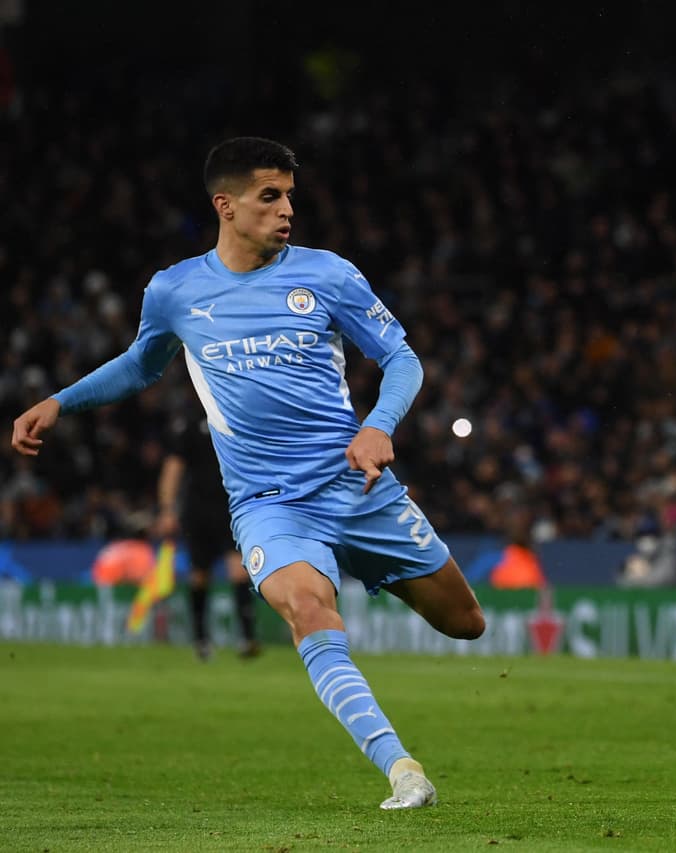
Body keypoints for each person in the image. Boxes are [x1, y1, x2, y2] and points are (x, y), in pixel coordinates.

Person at [11, 137, 486, 810]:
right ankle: (402, 768)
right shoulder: (175, 289)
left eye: (290, 194)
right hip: (269, 503)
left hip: (358, 486)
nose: (287, 208)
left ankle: (379, 579)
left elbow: (402, 357)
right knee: (307, 606)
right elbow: (140, 364)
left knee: (466, 624)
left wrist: (379, 425)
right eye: (271, 196)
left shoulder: (328, 275)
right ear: (225, 206)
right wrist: (60, 401)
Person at [155, 415, 260, 661]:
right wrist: (167, 509)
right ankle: (201, 639)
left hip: (231, 506)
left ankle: (247, 638)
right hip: (198, 510)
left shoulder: (235, 415)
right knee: (200, 575)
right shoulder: (190, 425)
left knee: (239, 570)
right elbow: (173, 467)